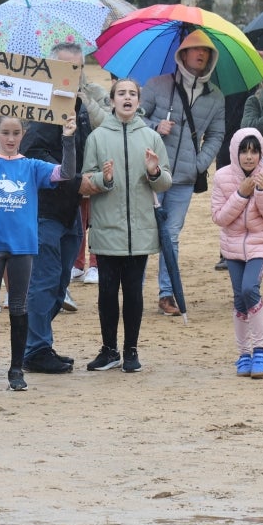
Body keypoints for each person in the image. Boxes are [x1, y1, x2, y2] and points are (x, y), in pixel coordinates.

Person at [0, 99, 77, 391]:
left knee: (19, 307)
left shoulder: (32, 166)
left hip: (22, 245)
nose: (10, 138)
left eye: (15, 133)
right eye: (5, 133)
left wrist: (68, 139)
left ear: (23, 134)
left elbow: (66, 173)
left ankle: (16, 371)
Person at [82, 78, 172, 374]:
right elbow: (85, 182)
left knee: (133, 292)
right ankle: (109, 350)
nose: (127, 98)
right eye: (121, 93)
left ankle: (131, 350)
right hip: (107, 227)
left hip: (140, 230)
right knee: (107, 292)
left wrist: (154, 171)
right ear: (112, 100)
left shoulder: (151, 137)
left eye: (132, 93)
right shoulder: (96, 137)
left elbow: (165, 181)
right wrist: (104, 179)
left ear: (139, 101)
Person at [19, 43, 98, 374]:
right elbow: (33, 154)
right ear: (51, 70)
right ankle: (35, 348)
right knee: (45, 281)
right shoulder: (42, 109)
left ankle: (37, 343)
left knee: (61, 281)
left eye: (77, 68)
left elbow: (85, 149)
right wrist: (76, 181)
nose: (72, 75)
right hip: (46, 211)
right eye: (66, 68)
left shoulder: (79, 107)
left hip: (69, 211)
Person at [141, 31, 225, 317]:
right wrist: (155, 127)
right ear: (183, 53)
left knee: (171, 236)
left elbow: (217, 134)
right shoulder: (157, 85)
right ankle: (135, 290)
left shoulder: (216, 97)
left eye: (206, 51)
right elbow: (135, 118)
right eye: (195, 49)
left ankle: (167, 294)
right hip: (150, 174)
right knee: (144, 234)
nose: (201, 54)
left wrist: (198, 164)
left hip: (184, 180)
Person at [211, 127, 263, 377]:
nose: (249, 157)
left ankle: (260, 350)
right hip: (232, 247)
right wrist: (241, 194)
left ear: (261, 153)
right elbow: (219, 218)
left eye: (254, 151)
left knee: (249, 289)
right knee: (239, 299)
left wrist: (262, 192)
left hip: (261, 245)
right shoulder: (222, 177)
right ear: (235, 152)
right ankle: (244, 354)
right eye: (244, 151)